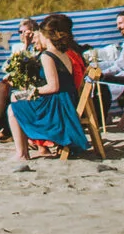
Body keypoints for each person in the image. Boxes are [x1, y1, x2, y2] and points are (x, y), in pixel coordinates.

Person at [7, 14, 95, 161]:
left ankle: (22, 153)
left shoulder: (47, 56)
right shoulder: (63, 53)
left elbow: (53, 86)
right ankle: (26, 150)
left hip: (58, 106)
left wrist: (31, 92)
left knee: (13, 107)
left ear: (46, 36)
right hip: (66, 101)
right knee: (18, 98)